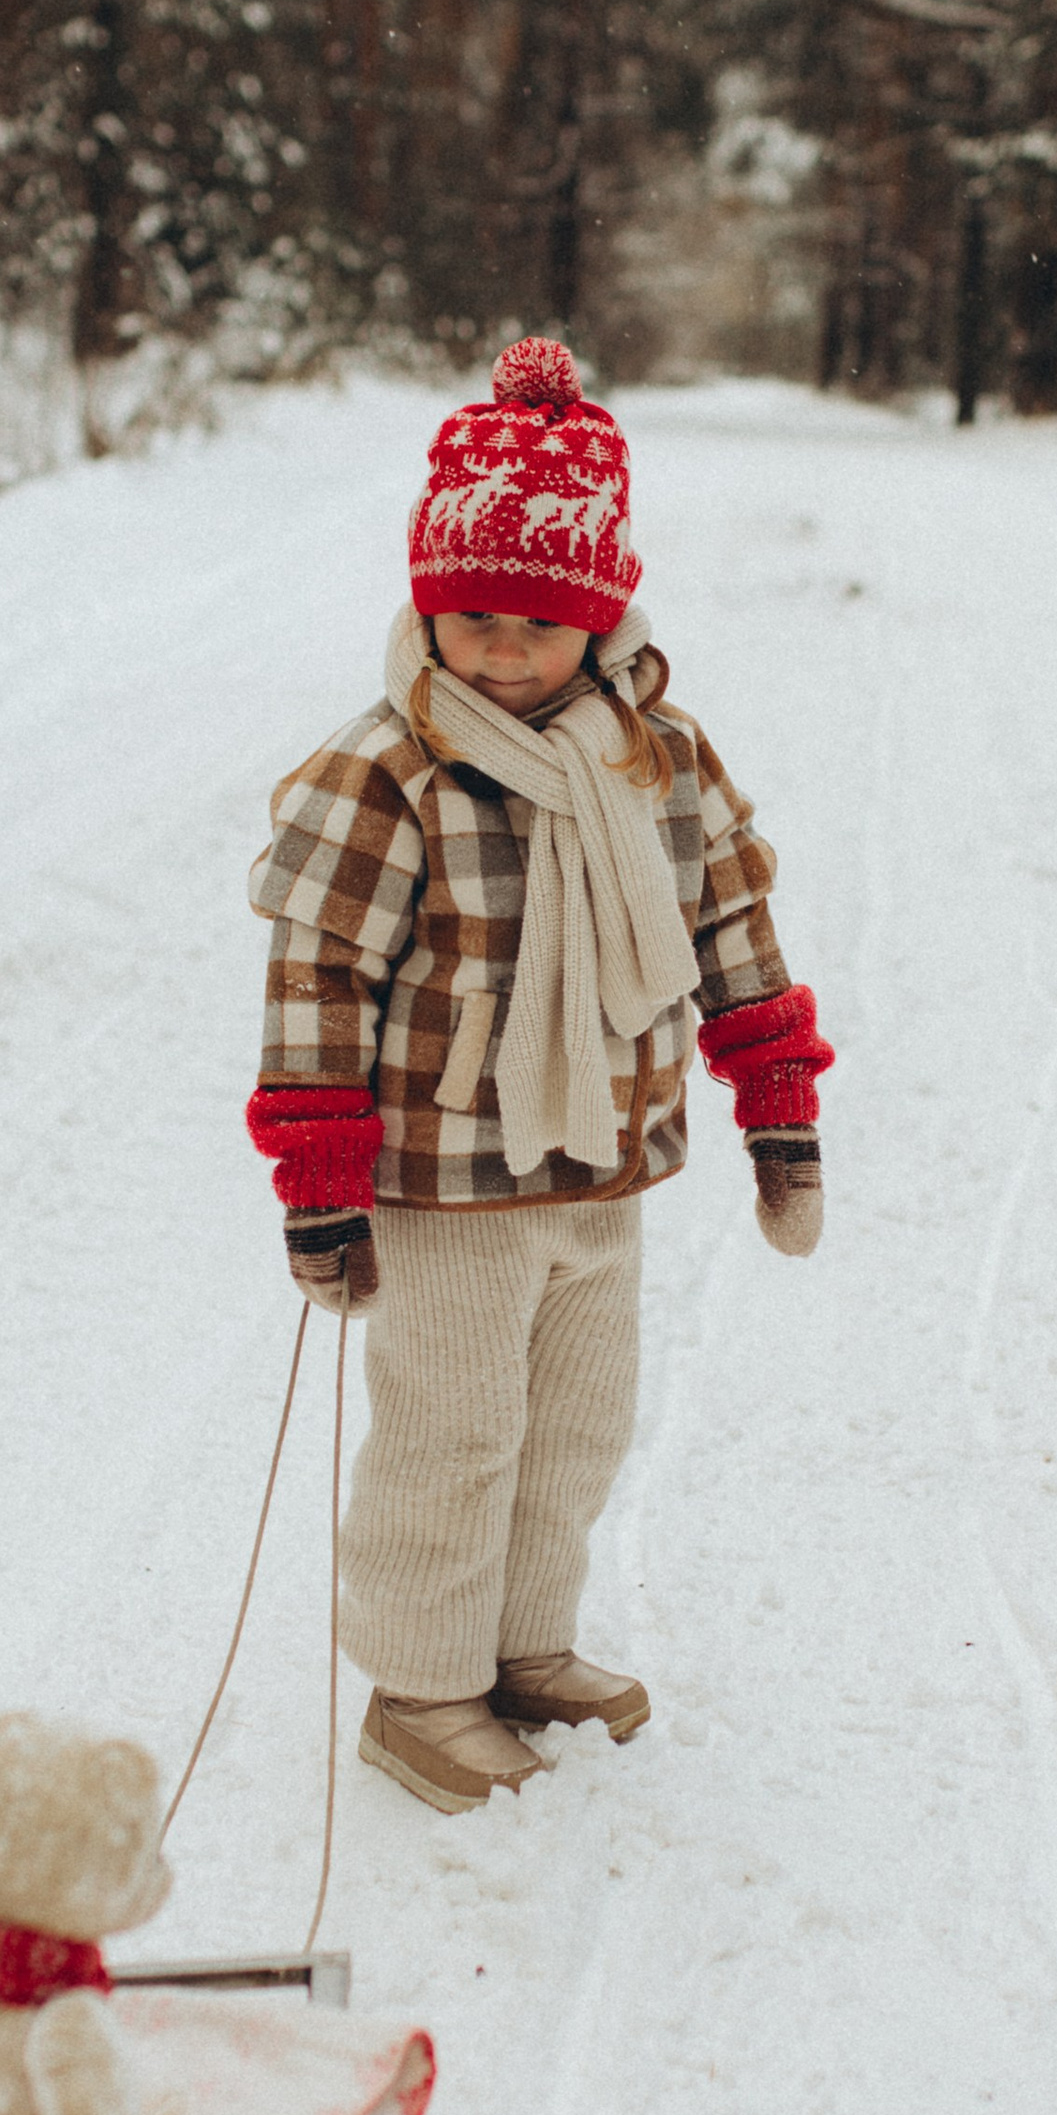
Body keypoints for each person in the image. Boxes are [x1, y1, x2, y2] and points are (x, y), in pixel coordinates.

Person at [243, 336, 831, 1818]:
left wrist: (780, 1107)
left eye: (536, 625)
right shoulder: (388, 773)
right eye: (470, 619)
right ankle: (420, 1686)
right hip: (448, 1181)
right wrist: (319, 1185)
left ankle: (521, 1646)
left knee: (573, 1425)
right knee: (454, 1432)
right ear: (429, 605)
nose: (501, 654)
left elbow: (732, 928)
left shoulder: (656, 760)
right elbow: (318, 979)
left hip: (602, 1167)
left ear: (599, 614)